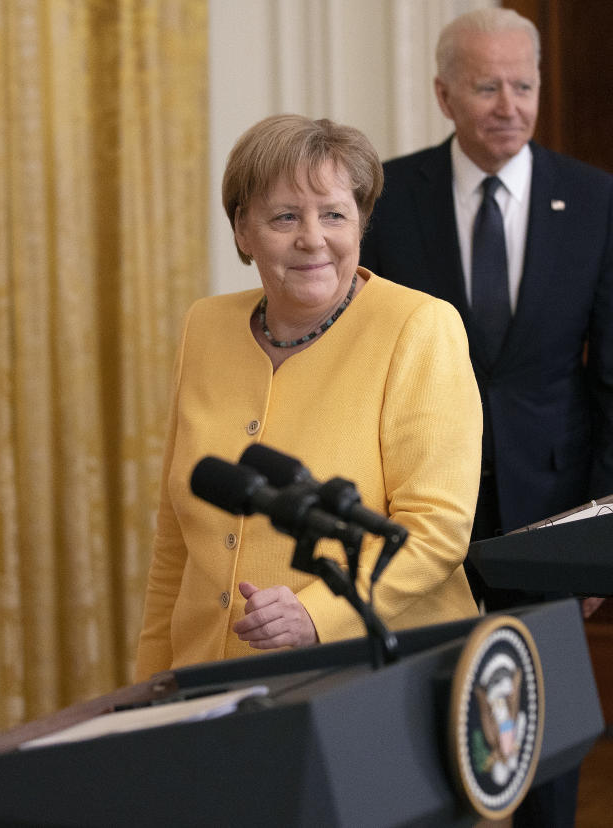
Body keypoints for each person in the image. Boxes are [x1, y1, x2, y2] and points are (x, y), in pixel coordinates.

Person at [359, 9, 613, 825]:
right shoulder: (386, 195)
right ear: (444, 93)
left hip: (553, 512)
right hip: (417, 509)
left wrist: (607, 530)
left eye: (523, 85)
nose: (507, 104)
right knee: (418, 712)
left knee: (543, 725)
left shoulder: (592, 198)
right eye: (486, 85)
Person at [135, 114, 482, 681]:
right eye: (285, 217)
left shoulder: (419, 326)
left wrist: (319, 614)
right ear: (243, 231)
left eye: (334, 215)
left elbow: (435, 529)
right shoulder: (205, 326)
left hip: (369, 677)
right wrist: (150, 687)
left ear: (361, 223)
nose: (312, 238)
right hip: (207, 683)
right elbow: (175, 537)